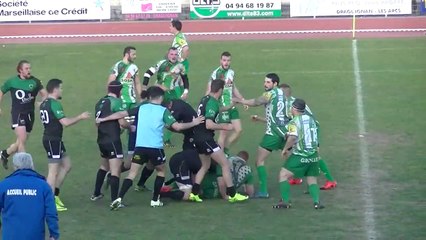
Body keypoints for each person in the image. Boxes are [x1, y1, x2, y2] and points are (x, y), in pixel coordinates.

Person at [96, 86, 204, 208]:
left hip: (140, 147)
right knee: (161, 171)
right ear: (161, 97)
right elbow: (177, 127)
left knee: (132, 174)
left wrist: (104, 118)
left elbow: (121, 113)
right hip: (155, 148)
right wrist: (194, 123)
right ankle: (155, 200)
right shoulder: (163, 111)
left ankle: (118, 199)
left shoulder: (141, 107)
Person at [190, 79, 248, 203]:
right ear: (220, 90)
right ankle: (232, 195)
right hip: (206, 138)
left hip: (197, 138)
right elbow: (209, 125)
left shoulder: (205, 99)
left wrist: (230, 105)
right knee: (225, 164)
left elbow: (216, 110)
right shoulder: (212, 102)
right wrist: (225, 126)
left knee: (205, 166)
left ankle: (194, 193)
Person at [39, 78, 90, 211]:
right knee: (53, 172)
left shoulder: (45, 103)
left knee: (67, 165)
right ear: (55, 89)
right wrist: (80, 117)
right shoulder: (54, 103)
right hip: (52, 140)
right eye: (60, 88)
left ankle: (53, 194)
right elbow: (65, 122)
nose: (62, 90)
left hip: (54, 139)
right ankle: (49, 201)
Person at [233, 73, 286, 198]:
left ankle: (263, 191)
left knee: (259, 161)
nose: (265, 84)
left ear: (275, 84)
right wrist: (261, 119)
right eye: (265, 82)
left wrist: (240, 101)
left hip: (272, 133)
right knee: (291, 154)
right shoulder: (281, 93)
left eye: (268, 82)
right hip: (284, 131)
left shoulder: (270, 94)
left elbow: (257, 102)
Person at [280, 84, 337, 190]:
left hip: (309, 130)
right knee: (295, 151)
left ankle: (331, 180)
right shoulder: (294, 101)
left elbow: (284, 120)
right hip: (305, 128)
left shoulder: (288, 105)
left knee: (313, 155)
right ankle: (297, 177)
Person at [134, 98, 197, 191]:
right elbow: (175, 127)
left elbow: (174, 127)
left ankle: (140, 184)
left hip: (192, 134)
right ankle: (159, 193)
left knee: (150, 164)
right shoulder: (173, 107)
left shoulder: (177, 109)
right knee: (161, 167)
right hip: (155, 143)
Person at [273, 99, 324, 209]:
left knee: (283, 174)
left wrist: (285, 149)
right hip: (313, 155)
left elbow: (292, 137)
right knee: (311, 178)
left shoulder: (294, 122)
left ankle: (285, 201)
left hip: (301, 155)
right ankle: (317, 202)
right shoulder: (311, 119)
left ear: (295, 109)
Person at [91, 81, 134, 210]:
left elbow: (98, 122)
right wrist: (130, 127)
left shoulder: (100, 102)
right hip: (112, 140)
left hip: (101, 139)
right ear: (119, 91)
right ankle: (115, 201)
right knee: (115, 171)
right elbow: (122, 121)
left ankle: (96, 193)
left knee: (104, 166)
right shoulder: (116, 102)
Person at [0, 152, 59, 240]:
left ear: (15, 167)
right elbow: (51, 213)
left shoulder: (3, 186)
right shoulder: (43, 186)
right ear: (31, 165)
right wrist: (54, 235)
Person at [0, 60, 47, 169]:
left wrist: (42, 102)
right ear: (20, 70)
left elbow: (44, 94)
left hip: (30, 115)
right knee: (22, 140)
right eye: (26, 69)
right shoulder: (12, 82)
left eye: (29, 68)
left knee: (21, 141)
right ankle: (24, 170)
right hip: (18, 114)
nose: (29, 70)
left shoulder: (35, 81)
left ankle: (5, 153)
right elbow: (1, 91)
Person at [161, 150, 254, 201]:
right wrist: (225, 196)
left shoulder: (218, 159)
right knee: (186, 195)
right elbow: (221, 182)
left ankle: (168, 186)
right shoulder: (221, 163)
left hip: (183, 161)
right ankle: (162, 194)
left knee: (191, 185)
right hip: (181, 163)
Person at [143, 47, 190, 147]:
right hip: (159, 93)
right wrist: (144, 88)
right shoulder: (161, 64)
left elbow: (185, 79)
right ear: (168, 55)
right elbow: (147, 74)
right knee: (155, 114)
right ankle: (150, 136)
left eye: (175, 54)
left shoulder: (180, 66)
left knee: (174, 115)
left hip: (172, 93)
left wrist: (185, 92)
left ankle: (166, 139)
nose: (173, 56)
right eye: (172, 54)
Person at [107, 46, 141, 172]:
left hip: (132, 103)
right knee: (121, 127)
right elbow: (110, 83)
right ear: (127, 54)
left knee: (132, 128)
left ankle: (129, 153)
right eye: (133, 54)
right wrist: (111, 99)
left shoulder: (134, 67)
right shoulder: (118, 66)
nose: (135, 56)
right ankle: (112, 146)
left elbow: (137, 83)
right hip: (122, 102)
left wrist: (141, 97)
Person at [206, 51, 245, 155]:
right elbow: (210, 90)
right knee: (223, 134)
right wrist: (207, 103)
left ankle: (225, 150)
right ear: (220, 61)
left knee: (239, 130)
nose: (226, 62)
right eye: (224, 60)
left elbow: (233, 87)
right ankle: (221, 157)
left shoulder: (231, 72)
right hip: (223, 106)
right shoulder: (216, 74)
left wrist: (242, 99)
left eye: (228, 60)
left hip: (231, 105)